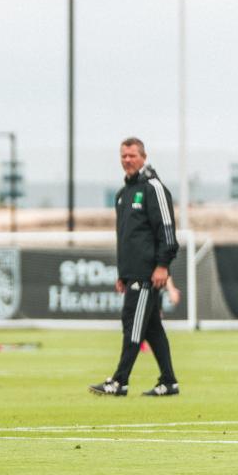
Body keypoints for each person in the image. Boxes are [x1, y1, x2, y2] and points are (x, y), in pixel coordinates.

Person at [90, 137, 180, 397]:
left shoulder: (154, 188)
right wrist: (122, 274)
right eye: (123, 156)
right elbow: (126, 238)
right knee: (151, 328)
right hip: (133, 273)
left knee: (133, 324)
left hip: (148, 273)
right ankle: (169, 381)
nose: (127, 160)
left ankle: (120, 381)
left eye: (132, 155)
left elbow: (167, 231)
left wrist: (163, 265)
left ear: (143, 157)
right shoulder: (123, 195)